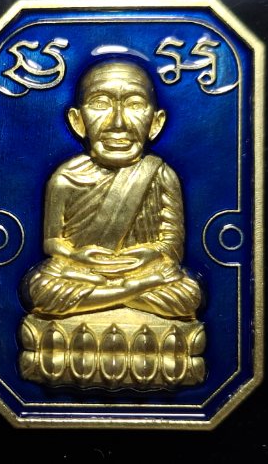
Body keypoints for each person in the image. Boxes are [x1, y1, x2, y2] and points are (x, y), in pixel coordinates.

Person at [24, 59, 201, 320]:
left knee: (188, 293)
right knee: (41, 287)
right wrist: (77, 256)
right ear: (77, 121)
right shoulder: (65, 178)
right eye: (100, 104)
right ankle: (130, 292)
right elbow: (52, 242)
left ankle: (111, 295)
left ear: (156, 122)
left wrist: (150, 254)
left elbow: (172, 246)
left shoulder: (161, 174)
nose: (118, 122)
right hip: (84, 273)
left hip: (142, 271)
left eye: (134, 104)